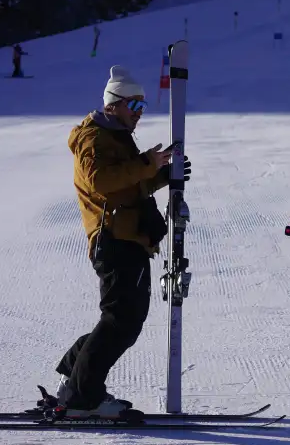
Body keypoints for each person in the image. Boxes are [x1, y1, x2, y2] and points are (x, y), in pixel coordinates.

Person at [53, 65, 191, 419]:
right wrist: (147, 164)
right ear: (113, 104)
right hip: (112, 238)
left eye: (143, 107)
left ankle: (75, 381)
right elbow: (101, 180)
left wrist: (159, 176)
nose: (139, 115)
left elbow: (127, 188)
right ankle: (82, 399)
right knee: (121, 320)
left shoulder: (114, 136)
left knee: (121, 319)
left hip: (127, 235)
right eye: (135, 106)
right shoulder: (94, 137)